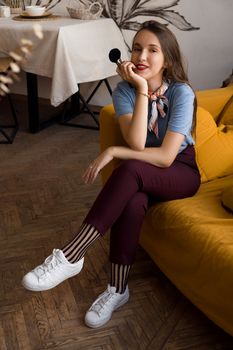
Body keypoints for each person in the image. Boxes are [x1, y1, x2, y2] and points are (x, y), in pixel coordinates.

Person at [22, 20, 201, 328]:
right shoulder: (123, 92)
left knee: (129, 166)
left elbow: (166, 155)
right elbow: (137, 143)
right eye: (137, 48)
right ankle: (117, 289)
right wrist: (142, 90)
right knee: (133, 202)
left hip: (180, 170)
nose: (142, 56)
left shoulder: (182, 93)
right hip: (145, 169)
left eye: (152, 50)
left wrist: (113, 152)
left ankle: (71, 255)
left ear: (167, 59)